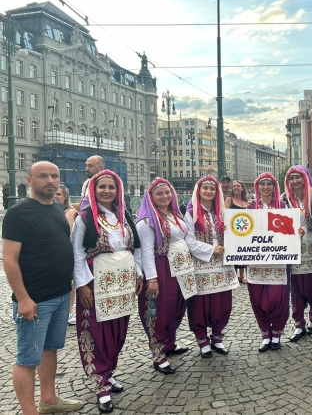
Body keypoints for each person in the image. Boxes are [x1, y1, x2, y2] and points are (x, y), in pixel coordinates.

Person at [3, 161, 84, 415]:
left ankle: (48, 399)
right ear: (29, 180)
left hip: (60, 295)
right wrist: (24, 299)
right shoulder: (19, 212)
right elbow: (9, 260)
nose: (50, 181)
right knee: (27, 358)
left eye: (54, 176)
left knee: (50, 350)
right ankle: (29, 412)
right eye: (43, 176)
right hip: (35, 299)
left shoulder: (57, 209)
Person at [72, 170, 143, 414]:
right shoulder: (85, 218)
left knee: (118, 329)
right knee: (97, 329)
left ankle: (109, 373)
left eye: (111, 187)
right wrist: (82, 285)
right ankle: (100, 383)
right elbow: (77, 254)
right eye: (102, 186)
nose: (107, 191)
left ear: (118, 190)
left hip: (121, 281)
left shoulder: (124, 216)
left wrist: (139, 274)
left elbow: (135, 248)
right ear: (93, 189)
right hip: (96, 281)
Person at [136, 178, 216, 374]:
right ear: (151, 197)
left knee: (177, 307)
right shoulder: (147, 221)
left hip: (181, 269)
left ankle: (169, 344)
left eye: (167, 192)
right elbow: (146, 251)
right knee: (160, 310)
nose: (164, 196)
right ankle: (158, 353)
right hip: (162, 269)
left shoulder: (175, 215)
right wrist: (152, 279)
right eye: (159, 193)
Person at [185, 176, 238, 358]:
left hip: (222, 263)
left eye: (212, 189)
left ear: (217, 192)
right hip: (202, 263)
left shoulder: (221, 213)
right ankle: (202, 339)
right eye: (205, 188)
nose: (208, 191)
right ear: (198, 190)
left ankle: (217, 337)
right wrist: (211, 249)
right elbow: (190, 242)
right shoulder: (191, 213)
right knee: (200, 304)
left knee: (222, 302)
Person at [247, 173, 290, 352]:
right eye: (262, 184)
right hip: (256, 261)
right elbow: (242, 230)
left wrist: (297, 233)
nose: (265, 187)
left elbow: (289, 228)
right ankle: (265, 333)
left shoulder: (282, 206)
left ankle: (277, 333)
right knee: (257, 298)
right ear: (257, 187)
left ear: (274, 187)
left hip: (277, 260)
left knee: (276, 297)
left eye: (269, 184)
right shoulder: (250, 208)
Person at [281, 166, 312, 342]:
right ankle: (299, 323)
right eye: (291, 178)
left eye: (298, 177)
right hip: (293, 247)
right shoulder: (284, 199)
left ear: (305, 178)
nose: (295, 181)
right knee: (296, 288)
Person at [54, 185, 78, 326]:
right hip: (55, 252)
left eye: (58, 194)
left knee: (70, 283)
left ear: (65, 197)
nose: (55, 196)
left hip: (67, 251)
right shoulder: (52, 210)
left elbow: (68, 234)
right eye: (54, 194)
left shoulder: (69, 212)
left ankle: (68, 312)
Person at [225, 180, 250, 283]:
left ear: (242, 188)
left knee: (243, 253)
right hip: (232, 230)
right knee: (234, 252)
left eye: (238, 186)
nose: (235, 187)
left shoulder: (247, 200)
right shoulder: (229, 200)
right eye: (234, 186)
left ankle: (242, 276)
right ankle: (234, 275)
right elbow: (224, 214)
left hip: (245, 230)